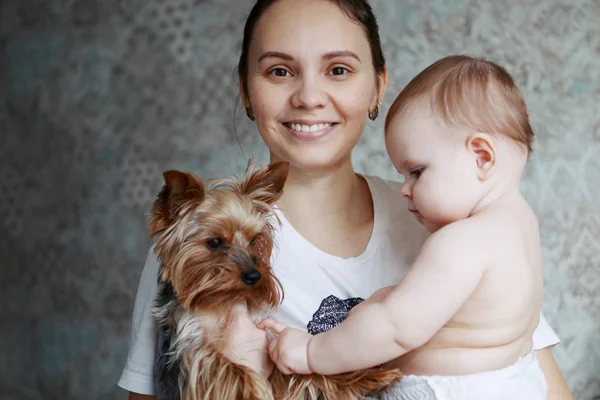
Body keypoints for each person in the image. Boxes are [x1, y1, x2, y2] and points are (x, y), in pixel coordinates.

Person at [118, 1, 572, 399]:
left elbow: (534, 379)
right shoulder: (196, 245)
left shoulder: (447, 218)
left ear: (377, 85)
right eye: (280, 71)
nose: (310, 97)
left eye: (338, 69)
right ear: (245, 90)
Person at [261, 55, 550, 399]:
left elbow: (396, 328)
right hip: (519, 383)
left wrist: (311, 351)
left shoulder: (460, 241)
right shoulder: (520, 225)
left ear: (481, 157)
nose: (404, 189)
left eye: (416, 172)